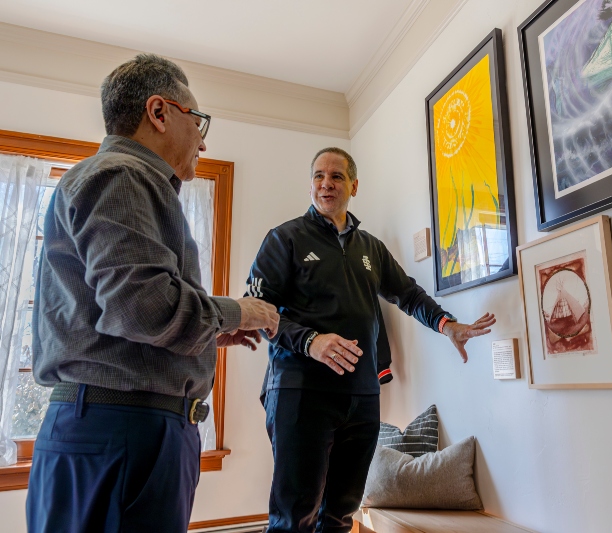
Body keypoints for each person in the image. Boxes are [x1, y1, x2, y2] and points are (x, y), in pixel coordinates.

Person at [26, 54, 280, 533]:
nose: (203, 140)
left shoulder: (120, 179)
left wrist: (206, 334)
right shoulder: (123, 175)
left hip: (119, 431)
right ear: (159, 112)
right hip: (124, 432)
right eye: (198, 121)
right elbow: (143, 307)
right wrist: (238, 312)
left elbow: (123, 315)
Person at [246, 147, 496, 533]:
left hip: (361, 397)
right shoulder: (285, 238)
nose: (326, 184)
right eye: (318, 176)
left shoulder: (371, 248)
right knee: (294, 518)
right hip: (301, 392)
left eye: (337, 176)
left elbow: (408, 294)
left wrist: (447, 325)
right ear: (310, 185)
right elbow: (257, 311)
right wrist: (311, 341)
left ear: (354, 185)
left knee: (340, 515)